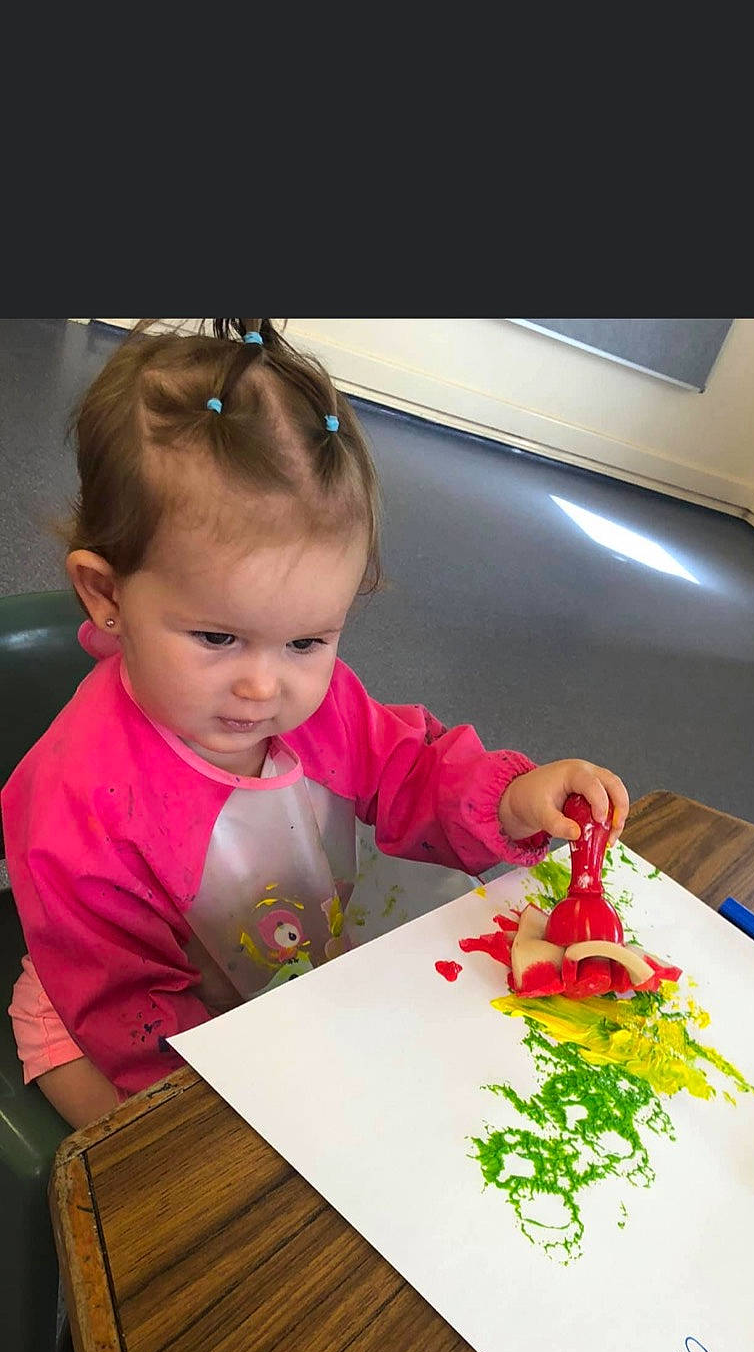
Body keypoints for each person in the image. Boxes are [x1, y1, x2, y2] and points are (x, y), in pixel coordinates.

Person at [1, 318, 629, 1132]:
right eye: (218, 638)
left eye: (308, 640)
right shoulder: (77, 799)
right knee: (161, 1178)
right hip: (110, 1018)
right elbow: (125, 1008)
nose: (264, 685)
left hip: (270, 970)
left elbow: (409, 770)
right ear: (107, 595)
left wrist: (510, 800)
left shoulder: (317, 702)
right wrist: (238, 1098)